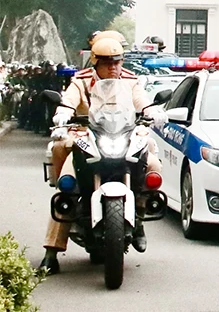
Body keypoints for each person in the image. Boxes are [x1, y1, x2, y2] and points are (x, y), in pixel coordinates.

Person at [40, 38, 167, 274]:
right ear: (96, 62)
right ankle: (51, 253)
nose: (113, 67)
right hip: (86, 138)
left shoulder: (130, 80)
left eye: (117, 62)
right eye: (107, 62)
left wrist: (152, 110)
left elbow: (141, 100)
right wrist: (63, 112)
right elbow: (69, 100)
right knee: (67, 186)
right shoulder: (81, 80)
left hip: (123, 136)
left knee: (152, 163)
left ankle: (139, 215)